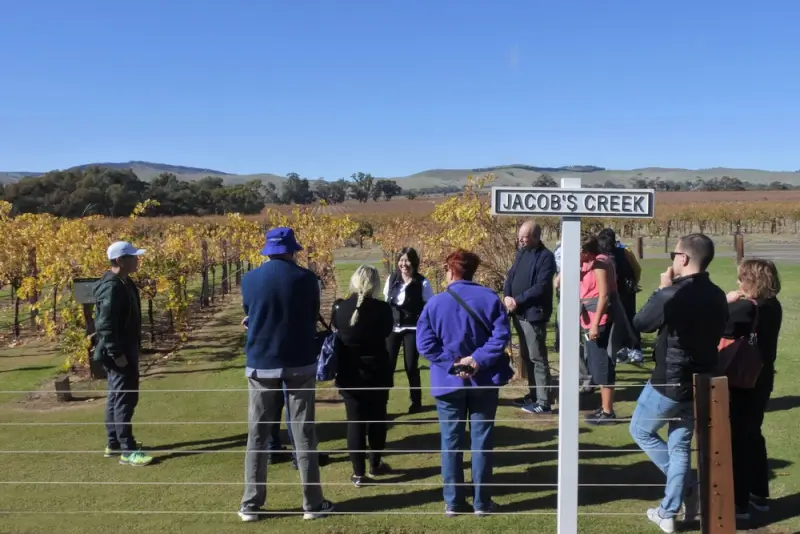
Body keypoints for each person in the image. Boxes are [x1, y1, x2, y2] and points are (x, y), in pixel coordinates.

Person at [629, 234, 728, 533]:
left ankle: (685, 489)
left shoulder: (672, 294)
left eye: (674, 254)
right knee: (680, 446)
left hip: (668, 380)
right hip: (700, 380)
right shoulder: (717, 294)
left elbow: (641, 323)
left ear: (683, 259)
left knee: (640, 430)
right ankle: (668, 511)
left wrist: (661, 290)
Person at [238, 227, 334, 522]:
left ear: (267, 251)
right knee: (303, 434)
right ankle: (312, 503)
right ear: (292, 250)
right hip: (299, 363)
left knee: (258, 433)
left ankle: (251, 504)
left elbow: (249, 313)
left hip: (261, 363)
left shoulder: (250, 279)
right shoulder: (307, 279)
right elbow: (311, 314)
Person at [417, 249, 512, 517]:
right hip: (484, 379)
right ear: (473, 270)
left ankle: (454, 501)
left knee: (451, 442)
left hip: (448, 382)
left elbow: (425, 343)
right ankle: (482, 502)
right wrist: (477, 360)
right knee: (481, 442)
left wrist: (453, 363)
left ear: (450, 270)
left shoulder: (435, 303)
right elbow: (501, 335)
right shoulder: (490, 299)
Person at [723, 259, 782, 519]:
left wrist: (728, 301)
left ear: (751, 281)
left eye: (741, 279)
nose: (738, 283)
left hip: (742, 379)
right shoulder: (773, 305)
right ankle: (759, 494)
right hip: (762, 376)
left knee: (737, 439)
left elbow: (717, 322)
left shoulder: (747, 308)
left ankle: (739, 503)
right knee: (753, 434)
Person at [332, 265, 395, 487]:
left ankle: (358, 473)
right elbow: (387, 332)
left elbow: (337, 330)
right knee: (378, 419)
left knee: (355, 422)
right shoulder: (383, 309)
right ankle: (375, 464)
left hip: (350, 371)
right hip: (377, 370)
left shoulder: (340, 307)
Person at [92, 241, 153, 467]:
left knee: (116, 396)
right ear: (119, 260)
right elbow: (105, 325)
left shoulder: (124, 282)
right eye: (133, 256)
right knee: (124, 399)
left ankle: (114, 442)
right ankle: (127, 449)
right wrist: (117, 353)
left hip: (124, 349)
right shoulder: (112, 287)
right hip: (118, 352)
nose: (137, 259)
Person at [503, 221, 556, 415]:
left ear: (535, 236)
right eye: (520, 236)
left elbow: (541, 286)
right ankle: (533, 395)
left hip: (534, 315)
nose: (521, 240)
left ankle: (544, 402)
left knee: (538, 358)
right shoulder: (521, 252)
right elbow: (511, 276)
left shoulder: (546, 257)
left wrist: (518, 300)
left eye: (524, 237)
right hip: (518, 313)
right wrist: (507, 295)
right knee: (526, 357)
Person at [384, 247, 434, 414]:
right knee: (387, 366)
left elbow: (429, 308)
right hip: (392, 328)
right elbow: (386, 302)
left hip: (412, 328)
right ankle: (382, 402)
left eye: (407, 260)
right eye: (401, 260)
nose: (403, 264)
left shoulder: (422, 283)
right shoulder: (392, 279)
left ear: (414, 262)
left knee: (411, 365)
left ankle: (416, 402)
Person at [579, 235, 619, 425]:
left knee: (604, 365)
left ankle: (608, 412)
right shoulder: (587, 265)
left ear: (586, 252)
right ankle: (603, 408)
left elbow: (603, 296)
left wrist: (595, 324)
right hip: (588, 319)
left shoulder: (600, 265)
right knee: (596, 364)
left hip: (599, 319)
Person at [598, 228, 643, 363]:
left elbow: (637, 269)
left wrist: (634, 283)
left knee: (629, 319)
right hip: (612, 292)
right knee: (614, 322)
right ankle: (621, 349)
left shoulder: (624, 252)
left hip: (625, 291)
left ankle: (635, 348)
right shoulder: (602, 254)